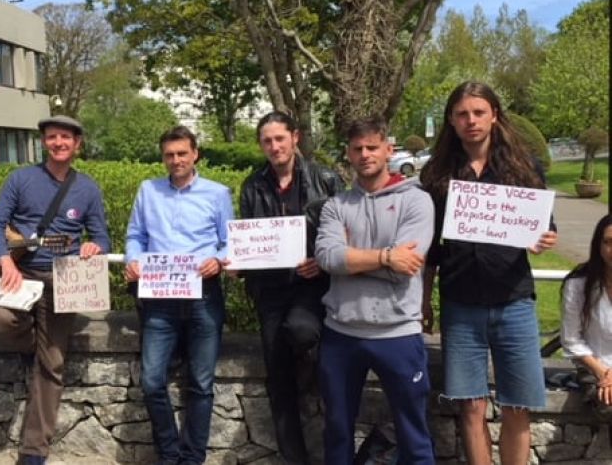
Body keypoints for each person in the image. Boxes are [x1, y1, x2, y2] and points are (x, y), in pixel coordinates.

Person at [419, 81, 557, 465]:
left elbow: (547, 226)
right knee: (470, 408)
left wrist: (545, 239)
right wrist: (423, 301)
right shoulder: (437, 174)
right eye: (462, 114)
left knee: (518, 406)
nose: (471, 121)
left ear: (494, 115)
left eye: (479, 112)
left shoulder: (524, 167)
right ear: (451, 120)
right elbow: (430, 249)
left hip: (514, 302)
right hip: (460, 305)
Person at [0, 115, 110, 465]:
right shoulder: (21, 179)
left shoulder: (87, 188)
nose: (58, 143)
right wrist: (6, 261)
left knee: (52, 365)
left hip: (65, 280)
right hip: (22, 274)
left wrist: (94, 247)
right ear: (44, 142)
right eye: (52, 137)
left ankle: (33, 451)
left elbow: (102, 235)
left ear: (77, 144)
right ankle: (31, 343)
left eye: (65, 138)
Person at [315, 115, 435, 464]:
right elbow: (328, 257)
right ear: (348, 154)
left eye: (372, 147)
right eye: (357, 149)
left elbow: (405, 271)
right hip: (342, 333)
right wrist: (385, 256)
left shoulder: (416, 201)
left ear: (388, 149)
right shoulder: (336, 206)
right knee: (337, 430)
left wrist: (351, 261)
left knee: (413, 432)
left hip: (398, 333)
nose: (365, 154)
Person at [124, 126, 234, 465]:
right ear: (163, 157)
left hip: (203, 295)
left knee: (201, 384)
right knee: (152, 380)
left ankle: (193, 458)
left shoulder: (217, 194)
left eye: (182, 153)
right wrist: (132, 261)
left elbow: (230, 240)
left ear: (195, 154)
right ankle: (170, 455)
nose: (176, 160)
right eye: (170, 155)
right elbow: (135, 236)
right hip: (160, 297)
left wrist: (218, 259)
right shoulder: (148, 190)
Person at [237, 111, 342, 464]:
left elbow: (345, 235)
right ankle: (293, 458)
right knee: (278, 381)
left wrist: (323, 262)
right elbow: (248, 239)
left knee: (302, 331)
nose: (274, 146)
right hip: (271, 291)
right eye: (267, 141)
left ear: (294, 137)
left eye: (280, 138)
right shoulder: (252, 186)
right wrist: (241, 263)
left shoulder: (325, 179)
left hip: (314, 287)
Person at [561, 214, 612, 416]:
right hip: (595, 368)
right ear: (597, 245)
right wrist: (604, 374)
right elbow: (571, 340)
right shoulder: (578, 284)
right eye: (608, 242)